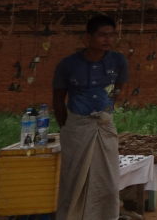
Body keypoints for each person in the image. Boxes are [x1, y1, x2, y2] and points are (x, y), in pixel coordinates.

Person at [53, 14, 129, 220]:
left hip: (104, 126)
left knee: (108, 182)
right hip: (77, 127)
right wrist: (68, 126)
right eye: (102, 35)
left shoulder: (118, 61)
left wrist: (107, 109)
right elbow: (58, 99)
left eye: (111, 35)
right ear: (87, 38)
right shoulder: (68, 64)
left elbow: (118, 90)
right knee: (75, 180)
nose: (108, 40)